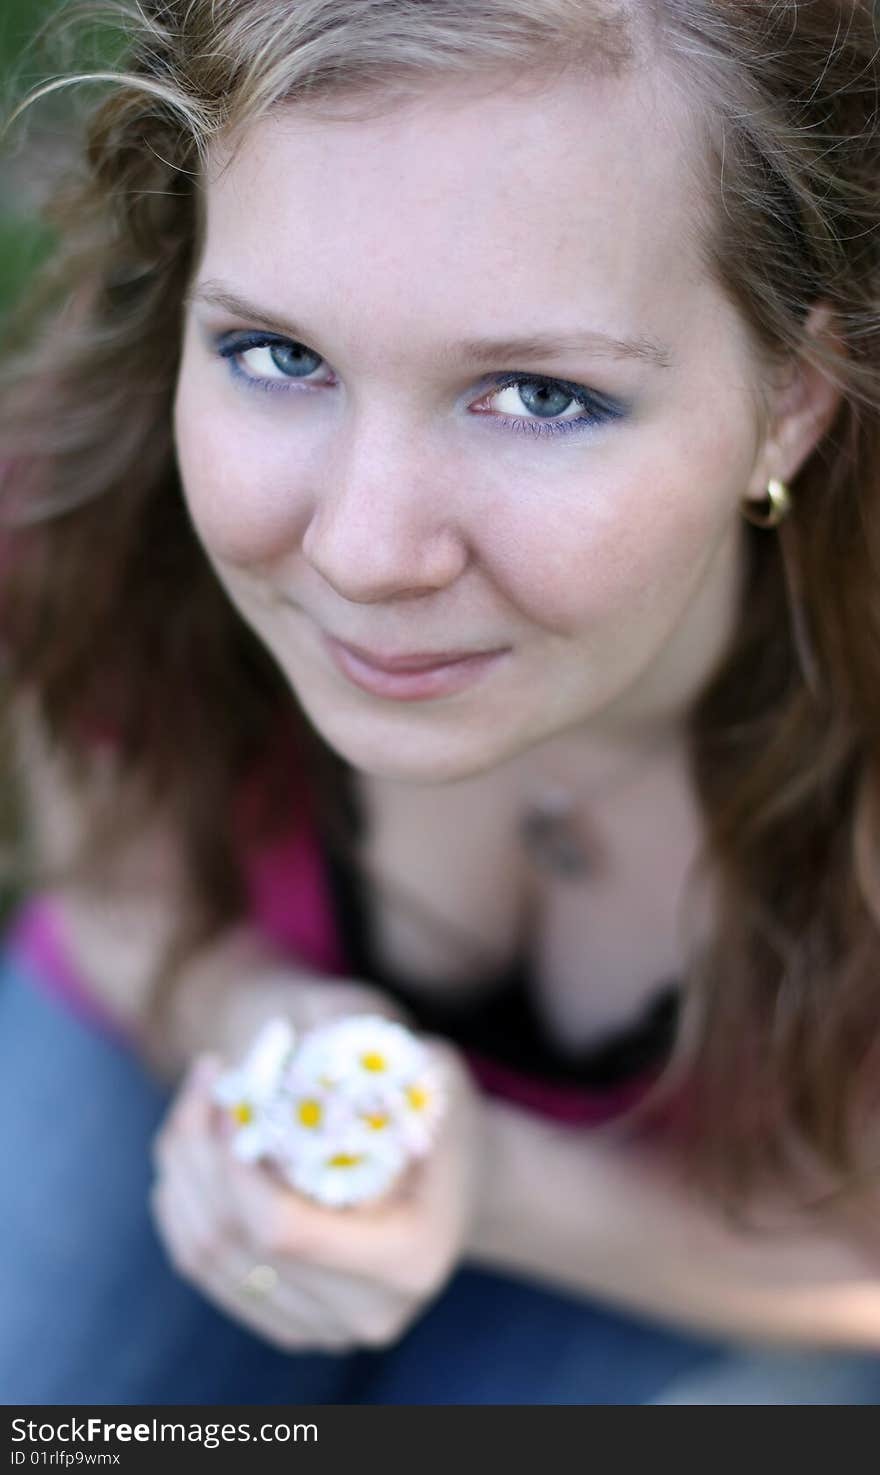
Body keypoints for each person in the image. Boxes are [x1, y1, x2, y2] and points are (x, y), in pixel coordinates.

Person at [2, 0, 880, 1405]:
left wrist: (486, 1185)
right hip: (179, 1044)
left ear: (791, 396)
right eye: (277, 357)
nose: (359, 550)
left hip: (702, 1225)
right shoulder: (101, 506)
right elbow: (113, 881)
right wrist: (260, 1043)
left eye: (537, 394)